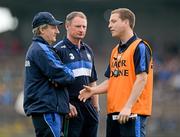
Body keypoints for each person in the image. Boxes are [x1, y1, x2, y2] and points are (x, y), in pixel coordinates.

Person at [79, 8, 153, 137]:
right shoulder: (115, 51)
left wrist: (128, 107)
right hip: (114, 113)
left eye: (113, 21)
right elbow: (112, 80)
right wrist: (93, 90)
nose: (109, 25)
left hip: (132, 113)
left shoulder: (140, 47)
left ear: (126, 22)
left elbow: (142, 78)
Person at [23, 12, 75, 137]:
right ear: (42, 29)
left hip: (48, 109)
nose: (57, 31)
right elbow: (67, 75)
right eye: (53, 27)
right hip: (47, 110)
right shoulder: (41, 49)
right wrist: (68, 73)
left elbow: (59, 75)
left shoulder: (39, 48)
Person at [54, 11, 99, 137]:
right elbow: (53, 83)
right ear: (67, 26)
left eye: (84, 27)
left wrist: (96, 106)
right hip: (71, 108)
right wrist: (65, 104)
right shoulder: (58, 50)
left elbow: (92, 80)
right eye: (78, 26)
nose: (82, 30)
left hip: (89, 108)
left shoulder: (88, 50)